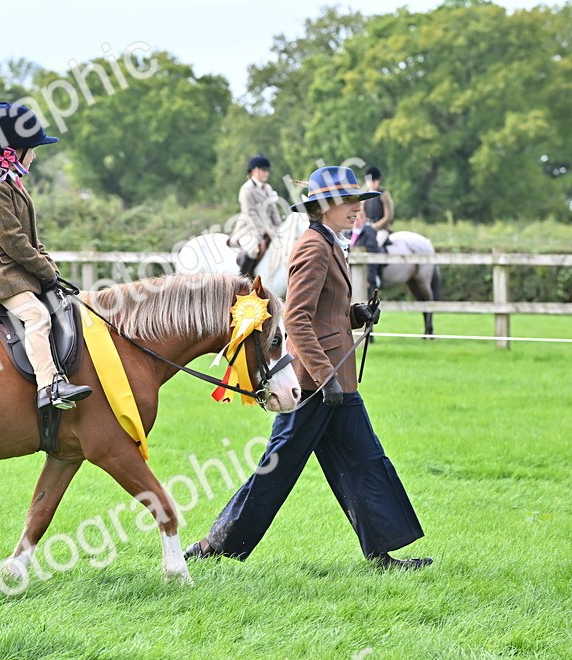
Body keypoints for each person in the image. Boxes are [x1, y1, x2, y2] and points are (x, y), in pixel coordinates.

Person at [184, 166, 432, 571]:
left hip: (335, 381)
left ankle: (381, 554)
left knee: (364, 461)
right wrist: (324, 376)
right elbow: (296, 319)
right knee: (276, 471)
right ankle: (214, 546)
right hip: (315, 384)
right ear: (325, 206)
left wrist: (355, 314)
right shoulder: (313, 247)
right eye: (349, 202)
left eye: (358, 202)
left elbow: (324, 313)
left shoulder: (332, 243)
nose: (357, 209)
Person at [0, 102, 91, 410]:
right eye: (31, 149)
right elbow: (14, 242)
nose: (35, 155)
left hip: (20, 271)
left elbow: (32, 239)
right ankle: (49, 387)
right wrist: (46, 272)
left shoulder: (11, 184)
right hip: (2, 277)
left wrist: (50, 266)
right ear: (12, 152)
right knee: (36, 316)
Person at [231, 154, 284, 279]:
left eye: (267, 171)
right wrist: (265, 230)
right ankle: (242, 280)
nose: (266, 173)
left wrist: (280, 228)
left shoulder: (268, 188)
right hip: (249, 229)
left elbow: (273, 212)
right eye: (263, 170)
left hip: (269, 229)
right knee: (252, 250)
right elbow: (250, 213)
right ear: (254, 170)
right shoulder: (246, 190)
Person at [362, 166, 394, 290]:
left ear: (378, 181)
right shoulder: (365, 196)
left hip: (382, 229)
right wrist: (366, 225)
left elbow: (389, 216)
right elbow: (362, 214)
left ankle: (377, 276)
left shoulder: (384, 195)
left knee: (376, 246)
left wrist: (375, 226)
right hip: (368, 228)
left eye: (374, 181)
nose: (372, 183)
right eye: (370, 181)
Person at [350, 205, 388, 294]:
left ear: (363, 220)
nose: (355, 221)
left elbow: (372, 258)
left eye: (357, 219)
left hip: (366, 275)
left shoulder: (369, 233)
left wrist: (368, 278)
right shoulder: (348, 233)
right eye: (353, 218)